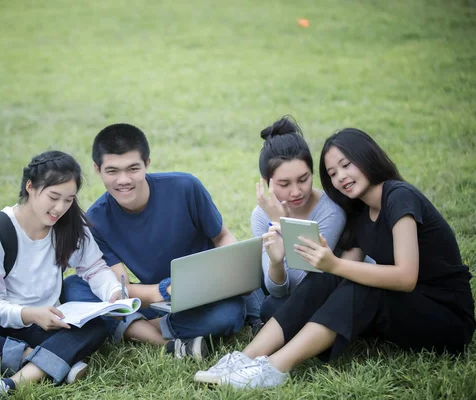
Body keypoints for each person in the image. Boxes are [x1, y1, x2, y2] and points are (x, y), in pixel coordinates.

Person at [195, 128, 475, 388]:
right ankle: (245, 357)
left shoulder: (398, 197)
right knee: (330, 277)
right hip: (404, 313)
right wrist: (329, 264)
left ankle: (275, 368)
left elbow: (406, 277)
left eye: (346, 164)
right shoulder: (360, 212)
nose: (340, 176)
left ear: (368, 157)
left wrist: (336, 264)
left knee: (358, 281)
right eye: (332, 172)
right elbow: (335, 274)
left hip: (446, 319)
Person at [0, 151, 125, 399]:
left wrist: (114, 293)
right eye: (53, 197)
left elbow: (93, 268)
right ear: (30, 187)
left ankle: (12, 384)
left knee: (97, 326)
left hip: (44, 322)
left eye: (69, 199)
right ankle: (45, 360)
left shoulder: (69, 224)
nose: (60, 208)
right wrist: (29, 314)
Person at [61, 123, 246, 359]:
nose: (123, 180)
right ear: (97, 170)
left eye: (133, 168)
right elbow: (120, 289)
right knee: (73, 287)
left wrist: (234, 274)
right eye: (112, 171)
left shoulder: (185, 187)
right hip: (154, 300)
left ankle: (133, 329)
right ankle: (167, 342)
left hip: (204, 295)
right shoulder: (96, 220)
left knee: (228, 314)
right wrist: (166, 290)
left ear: (147, 164)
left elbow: (222, 236)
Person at [248, 116, 345, 327]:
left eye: (304, 179)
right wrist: (275, 261)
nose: (296, 191)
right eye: (284, 183)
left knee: (273, 307)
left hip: (325, 291)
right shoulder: (260, 214)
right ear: (267, 182)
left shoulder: (331, 210)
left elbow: (302, 283)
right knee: (266, 298)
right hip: (286, 295)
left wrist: (281, 222)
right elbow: (277, 289)